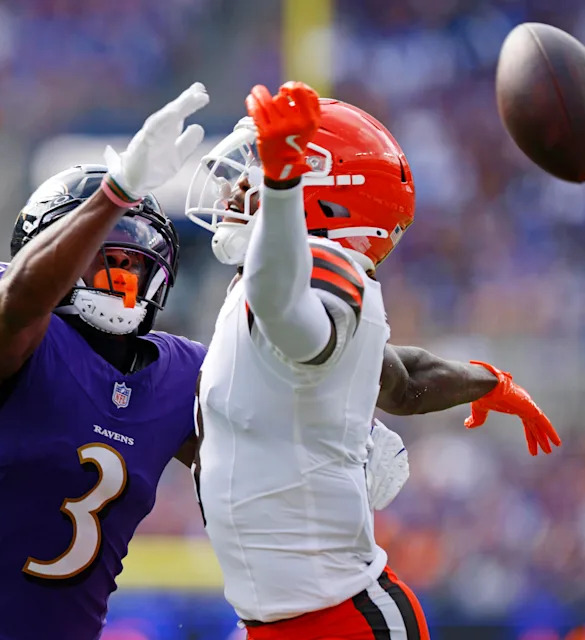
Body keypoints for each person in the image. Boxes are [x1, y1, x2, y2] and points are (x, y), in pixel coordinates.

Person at [185, 82, 561, 639]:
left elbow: (288, 315)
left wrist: (280, 187)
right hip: (278, 624)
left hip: (346, 623)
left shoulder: (320, 274)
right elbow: (401, 378)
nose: (238, 185)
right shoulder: (287, 289)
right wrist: (488, 381)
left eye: (262, 168)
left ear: (323, 193)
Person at [0, 84, 213, 640]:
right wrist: (115, 194)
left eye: (134, 263)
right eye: (103, 256)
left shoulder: (179, 373)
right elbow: (18, 304)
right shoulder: (2, 320)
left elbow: (258, 460)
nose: (121, 279)